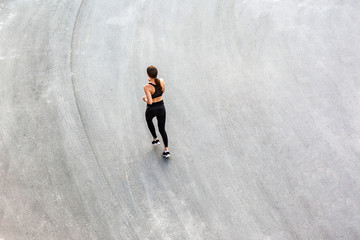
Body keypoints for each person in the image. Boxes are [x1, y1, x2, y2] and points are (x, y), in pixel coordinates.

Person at [142, 66, 170, 158]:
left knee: (149, 121)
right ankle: (166, 150)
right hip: (161, 107)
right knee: (162, 129)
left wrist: (144, 98)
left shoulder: (147, 87)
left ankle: (155, 139)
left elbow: (149, 101)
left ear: (148, 74)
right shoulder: (161, 81)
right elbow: (163, 91)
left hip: (152, 108)